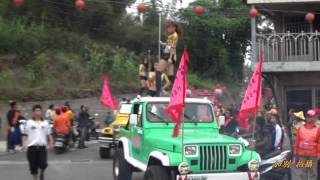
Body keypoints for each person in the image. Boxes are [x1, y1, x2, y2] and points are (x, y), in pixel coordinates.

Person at [21, 105, 54, 180]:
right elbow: (24, 134)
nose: (38, 112)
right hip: (31, 147)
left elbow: (49, 134)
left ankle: (42, 172)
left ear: (41, 112)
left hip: (42, 147)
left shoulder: (46, 123)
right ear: (33, 112)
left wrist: (51, 143)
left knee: (43, 164)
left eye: (39, 110)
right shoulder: (28, 122)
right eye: (36, 110)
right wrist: (23, 144)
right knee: (33, 167)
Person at [292, 109, 320, 180]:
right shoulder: (300, 128)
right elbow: (297, 142)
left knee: (313, 173)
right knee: (302, 173)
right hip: (302, 155)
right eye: (309, 117)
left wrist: (319, 153)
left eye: (312, 117)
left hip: (313, 155)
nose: (310, 118)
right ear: (306, 118)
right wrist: (295, 155)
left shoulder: (317, 129)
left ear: (315, 118)